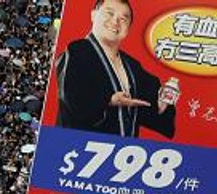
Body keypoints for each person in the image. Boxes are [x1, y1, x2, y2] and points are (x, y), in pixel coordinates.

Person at [54, 0, 177, 138]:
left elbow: (146, 110)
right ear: (93, 15)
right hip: (79, 144)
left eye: (123, 19)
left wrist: (161, 104)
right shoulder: (77, 51)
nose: (115, 22)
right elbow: (73, 99)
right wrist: (109, 100)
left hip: (122, 148)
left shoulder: (132, 66)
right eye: (110, 13)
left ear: (128, 28)